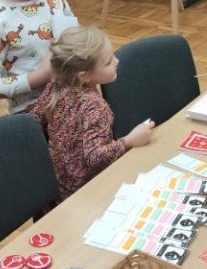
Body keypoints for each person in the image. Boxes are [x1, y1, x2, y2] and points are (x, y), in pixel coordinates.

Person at [27, 26, 154, 199]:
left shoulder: (55, 86)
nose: (117, 61)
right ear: (84, 76)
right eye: (108, 61)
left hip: (58, 187)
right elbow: (94, 158)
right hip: (89, 192)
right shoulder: (96, 107)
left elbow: (32, 122)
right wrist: (129, 141)